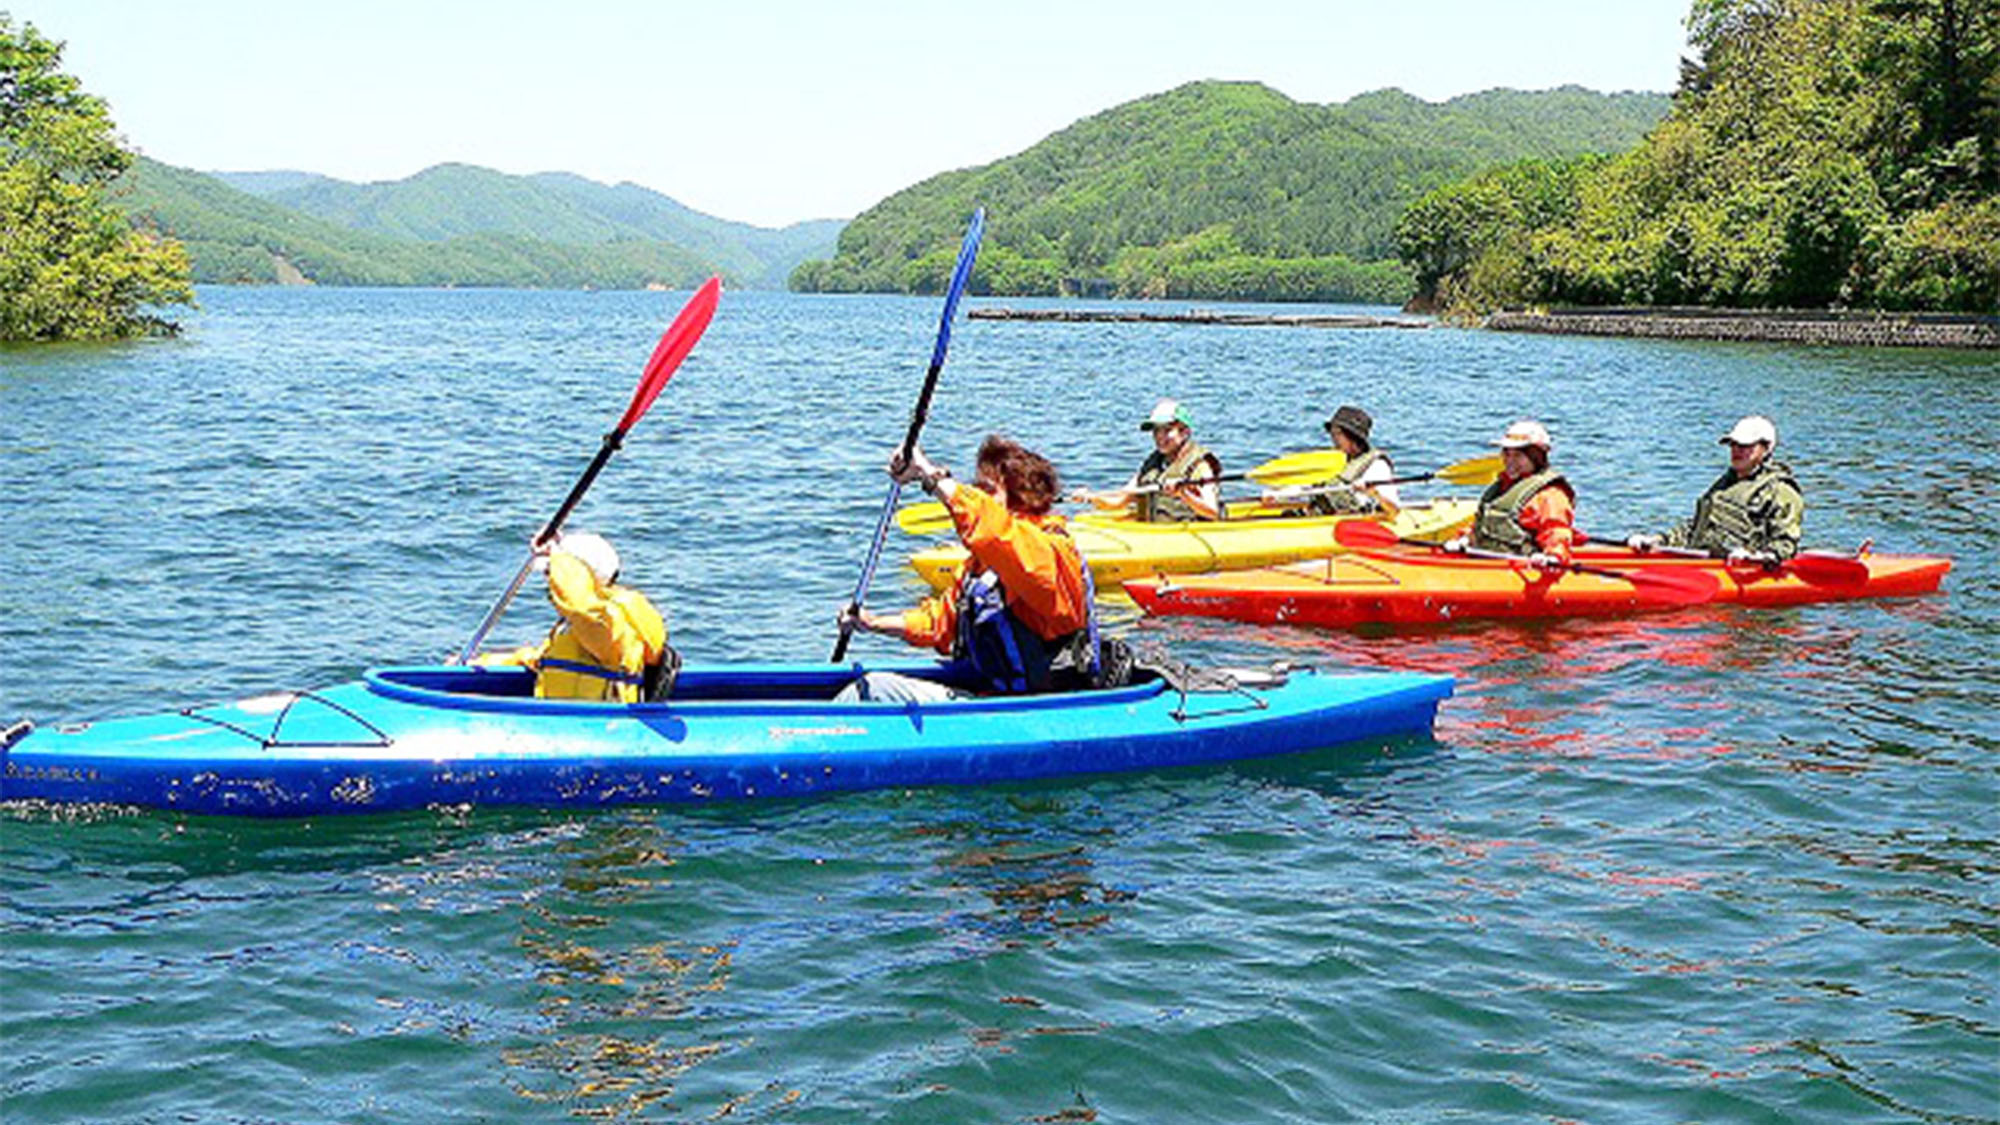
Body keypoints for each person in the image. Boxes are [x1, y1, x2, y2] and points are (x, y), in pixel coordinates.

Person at [838, 435, 1107, 703]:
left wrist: (930, 476)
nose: (979, 496)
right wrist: (872, 623)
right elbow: (940, 625)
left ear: (1019, 496)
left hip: (1041, 709)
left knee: (871, 690)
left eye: (988, 491)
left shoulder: (1048, 552)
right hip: (995, 701)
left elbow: (997, 535)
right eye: (977, 489)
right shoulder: (980, 567)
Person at [476, 531, 671, 702]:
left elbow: (580, 605)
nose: (550, 579)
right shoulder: (575, 628)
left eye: (551, 573)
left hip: (599, 727)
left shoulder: (608, 624)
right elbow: (539, 659)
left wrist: (558, 556)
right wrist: (479, 663)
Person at [1629, 415, 1803, 562]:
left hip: (1742, 568)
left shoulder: (1781, 490)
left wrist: (1755, 557)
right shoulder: (1724, 485)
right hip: (1702, 561)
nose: (1736, 450)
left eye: (1745, 446)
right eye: (1733, 444)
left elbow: (1785, 545)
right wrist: (1658, 540)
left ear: (1765, 449)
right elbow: (1695, 528)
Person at [1445, 419, 1576, 569]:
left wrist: (1553, 556)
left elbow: (1556, 531)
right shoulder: (1502, 488)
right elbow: (1482, 525)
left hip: (1523, 567)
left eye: (1518, 456)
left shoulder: (1550, 495)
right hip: (1487, 563)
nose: (1510, 461)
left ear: (1536, 457)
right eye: (1507, 454)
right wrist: (1464, 539)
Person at [1073, 398, 1224, 521]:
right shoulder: (1153, 463)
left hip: (1188, 534)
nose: (1159, 437)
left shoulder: (1201, 465)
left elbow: (1212, 512)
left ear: (1185, 432)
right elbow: (1120, 500)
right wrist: (1090, 497)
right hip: (1155, 532)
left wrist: (1183, 494)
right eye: (1156, 430)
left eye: (1167, 430)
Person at [1262, 404, 1400, 515]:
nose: (1334, 438)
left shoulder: (1377, 466)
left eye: (1338, 434)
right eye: (1332, 433)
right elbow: (1306, 485)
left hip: (1353, 520)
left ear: (1353, 437)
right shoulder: (1331, 461)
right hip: (1323, 517)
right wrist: (1278, 495)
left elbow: (1394, 510)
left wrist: (1373, 493)